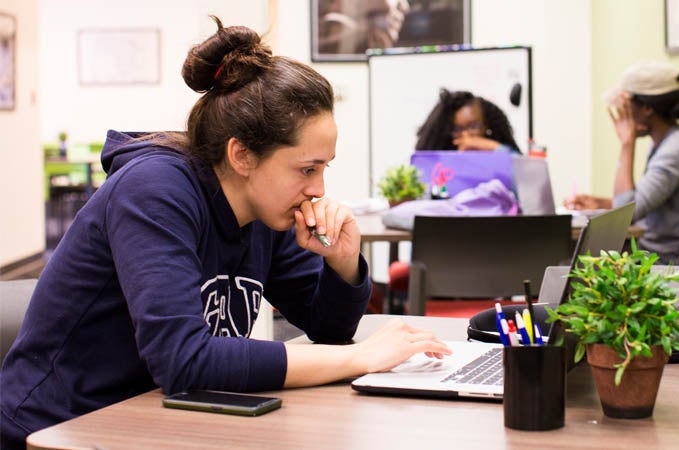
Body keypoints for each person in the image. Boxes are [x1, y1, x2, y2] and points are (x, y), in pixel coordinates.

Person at [0, 17, 450, 448]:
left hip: (161, 419)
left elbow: (327, 327)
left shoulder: (265, 209)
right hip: (57, 429)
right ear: (242, 156)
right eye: (307, 169)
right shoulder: (154, 191)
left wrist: (342, 262)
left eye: (324, 168)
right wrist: (359, 359)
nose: (319, 189)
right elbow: (183, 360)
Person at [565, 61, 679, 264]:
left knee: (571, 263)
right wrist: (599, 204)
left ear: (646, 108)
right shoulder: (669, 142)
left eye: (626, 107)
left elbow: (626, 212)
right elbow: (641, 203)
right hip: (650, 254)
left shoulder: (677, 149)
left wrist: (627, 144)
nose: (622, 114)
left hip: (661, 265)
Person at [415, 89, 521, 153]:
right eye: (456, 129)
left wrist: (492, 147)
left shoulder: (495, 153)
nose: (466, 135)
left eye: (473, 126)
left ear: (487, 125)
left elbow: (523, 175)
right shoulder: (438, 162)